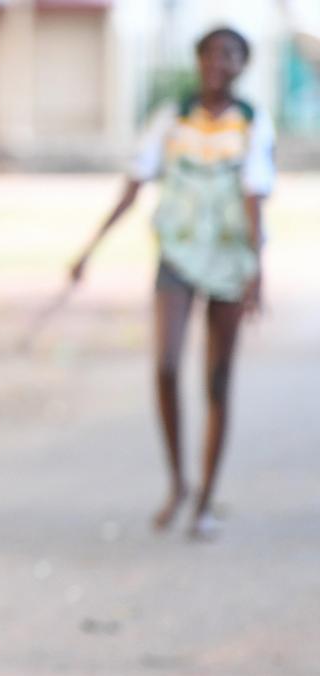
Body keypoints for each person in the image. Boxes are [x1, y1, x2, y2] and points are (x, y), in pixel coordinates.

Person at [69, 26, 273, 540]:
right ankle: (177, 482)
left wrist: (257, 270)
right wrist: (91, 248)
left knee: (217, 381)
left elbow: (255, 198)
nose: (218, 63)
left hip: (230, 257)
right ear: (198, 60)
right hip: (178, 253)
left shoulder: (252, 123)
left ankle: (204, 499)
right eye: (210, 54)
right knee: (165, 366)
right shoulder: (172, 118)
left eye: (229, 55)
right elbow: (134, 184)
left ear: (241, 66)